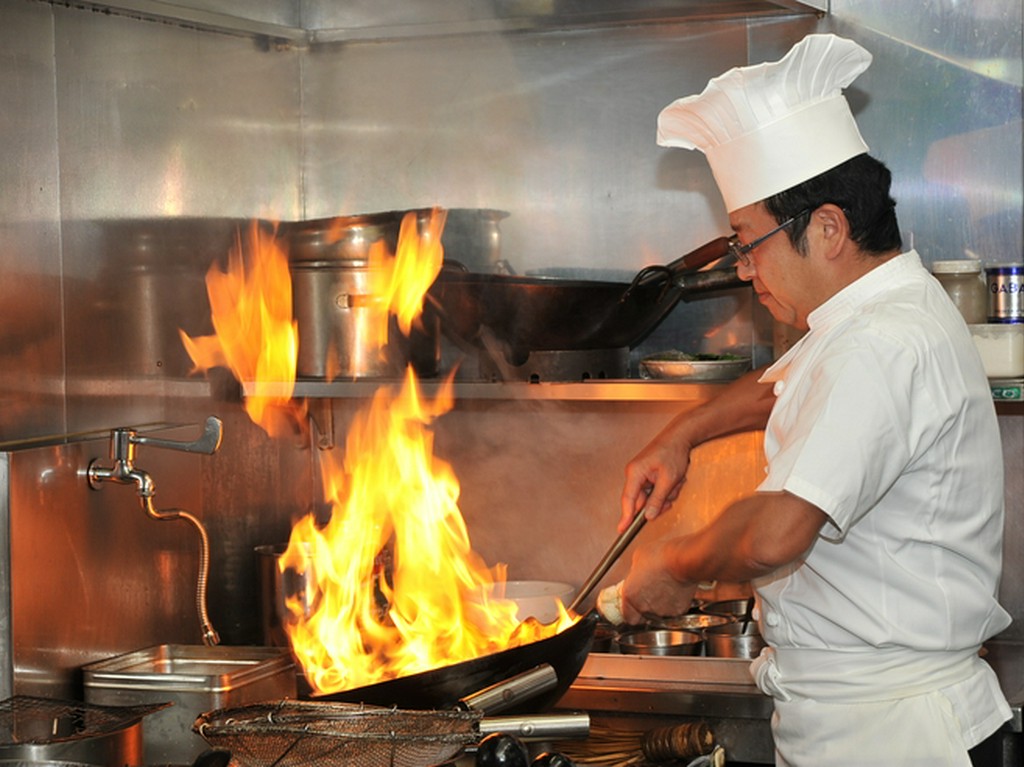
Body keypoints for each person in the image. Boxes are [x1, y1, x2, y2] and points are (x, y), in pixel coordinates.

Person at [606, 33, 1012, 765]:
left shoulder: (881, 343)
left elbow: (776, 532)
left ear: (827, 228)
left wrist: (673, 563)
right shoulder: (872, 319)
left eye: (748, 244)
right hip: (865, 726)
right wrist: (686, 432)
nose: (744, 269)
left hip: (897, 740)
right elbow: (785, 390)